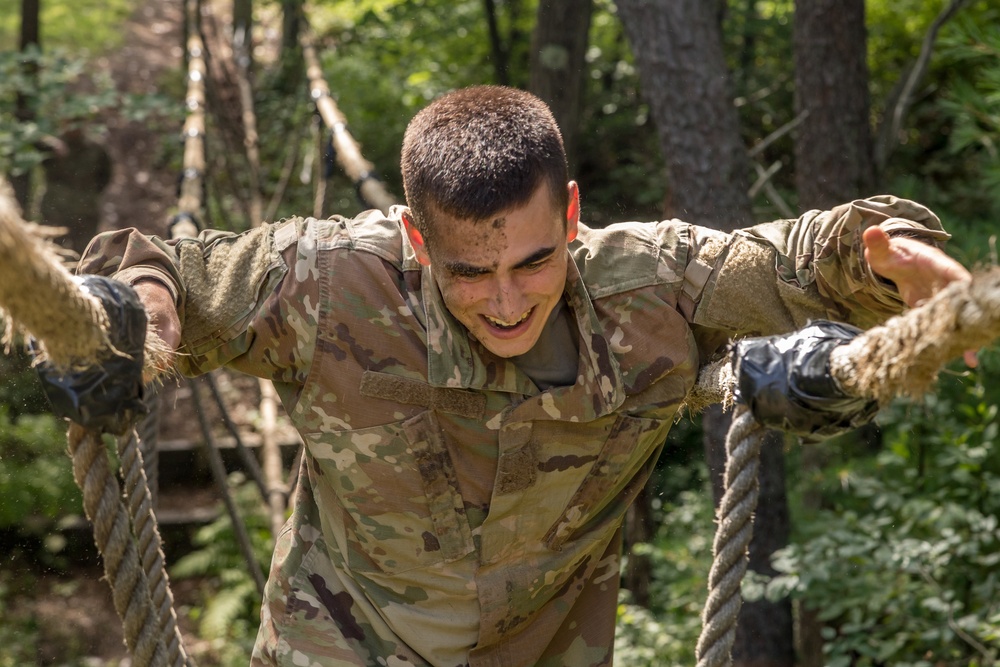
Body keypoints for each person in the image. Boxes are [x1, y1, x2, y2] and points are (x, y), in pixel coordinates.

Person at [74, 86, 971, 667]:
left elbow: (792, 259)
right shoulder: (333, 282)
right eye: (469, 271)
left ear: (573, 214)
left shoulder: (648, 289)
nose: (506, 301)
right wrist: (140, 312)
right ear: (418, 239)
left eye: (535, 261)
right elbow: (162, 265)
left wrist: (883, 259)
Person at [40, 124, 113, 256]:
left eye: (77, 121)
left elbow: (105, 177)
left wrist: (89, 196)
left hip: (85, 212)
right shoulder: (49, 147)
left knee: (85, 255)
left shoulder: (96, 148)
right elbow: (24, 139)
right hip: (55, 213)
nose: (73, 127)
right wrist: (49, 142)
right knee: (51, 253)